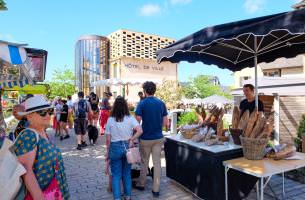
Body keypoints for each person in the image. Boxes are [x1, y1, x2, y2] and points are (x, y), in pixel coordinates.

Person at [13, 95, 69, 199]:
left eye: (49, 111)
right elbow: (25, 170)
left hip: (54, 191)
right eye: (42, 113)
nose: (48, 115)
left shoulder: (42, 131)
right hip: (43, 194)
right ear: (29, 116)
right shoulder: (29, 136)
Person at [134, 81, 168, 198]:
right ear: (154, 90)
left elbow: (137, 121)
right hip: (158, 137)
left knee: (144, 161)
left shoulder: (142, 104)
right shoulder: (161, 103)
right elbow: (165, 122)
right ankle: (156, 189)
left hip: (145, 138)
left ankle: (141, 183)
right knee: (157, 163)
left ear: (144, 91)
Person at [105, 96, 142, 200]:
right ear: (125, 106)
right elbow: (140, 130)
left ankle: (117, 198)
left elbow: (108, 140)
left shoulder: (110, 120)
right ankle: (128, 196)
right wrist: (132, 139)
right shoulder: (130, 118)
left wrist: (107, 152)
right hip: (127, 148)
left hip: (115, 148)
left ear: (115, 106)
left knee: (116, 175)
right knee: (126, 174)